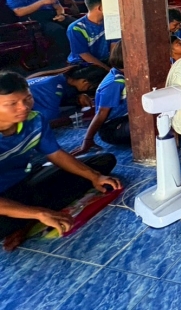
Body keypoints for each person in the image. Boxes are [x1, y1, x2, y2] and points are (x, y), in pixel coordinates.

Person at [0, 71, 121, 246]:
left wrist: (95, 176)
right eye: (12, 103)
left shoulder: (35, 120)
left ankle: (25, 217)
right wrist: (39, 213)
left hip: (25, 182)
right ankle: (30, 216)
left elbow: (56, 154)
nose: (24, 107)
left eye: (28, 99)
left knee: (102, 163)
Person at [4, 0, 76, 62]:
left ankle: (87, 51)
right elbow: (20, 12)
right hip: (34, 20)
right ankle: (71, 58)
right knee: (58, 30)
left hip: (54, 15)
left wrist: (61, 14)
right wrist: (42, 2)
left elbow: (58, 7)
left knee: (77, 24)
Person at [73, 42, 129, 153]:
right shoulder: (115, 83)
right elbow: (101, 113)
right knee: (149, 125)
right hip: (112, 128)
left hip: (126, 118)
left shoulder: (121, 73)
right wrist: (88, 140)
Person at [28, 65, 107, 123]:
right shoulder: (55, 87)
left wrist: (76, 99)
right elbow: (50, 121)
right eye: (90, 87)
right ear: (84, 81)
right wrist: (80, 117)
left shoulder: (60, 80)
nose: (89, 91)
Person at [65, 0, 109, 70]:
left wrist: (115, 68)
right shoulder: (76, 28)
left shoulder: (110, 22)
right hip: (82, 63)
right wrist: (108, 70)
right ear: (100, 8)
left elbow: (114, 47)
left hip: (104, 60)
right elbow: (84, 54)